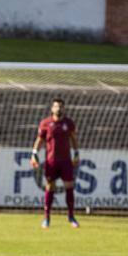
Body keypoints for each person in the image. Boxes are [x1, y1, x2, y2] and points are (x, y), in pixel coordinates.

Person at [30, 98, 80, 228]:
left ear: (64, 109)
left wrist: (76, 153)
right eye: (56, 106)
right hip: (51, 162)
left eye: (61, 107)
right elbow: (39, 140)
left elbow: (74, 139)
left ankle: (71, 217)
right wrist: (34, 154)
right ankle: (46, 218)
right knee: (49, 187)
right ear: (52, 108)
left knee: (69, 186)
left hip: (66, 161)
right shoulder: (45, 123)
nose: (59, 109)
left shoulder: (69, 123)